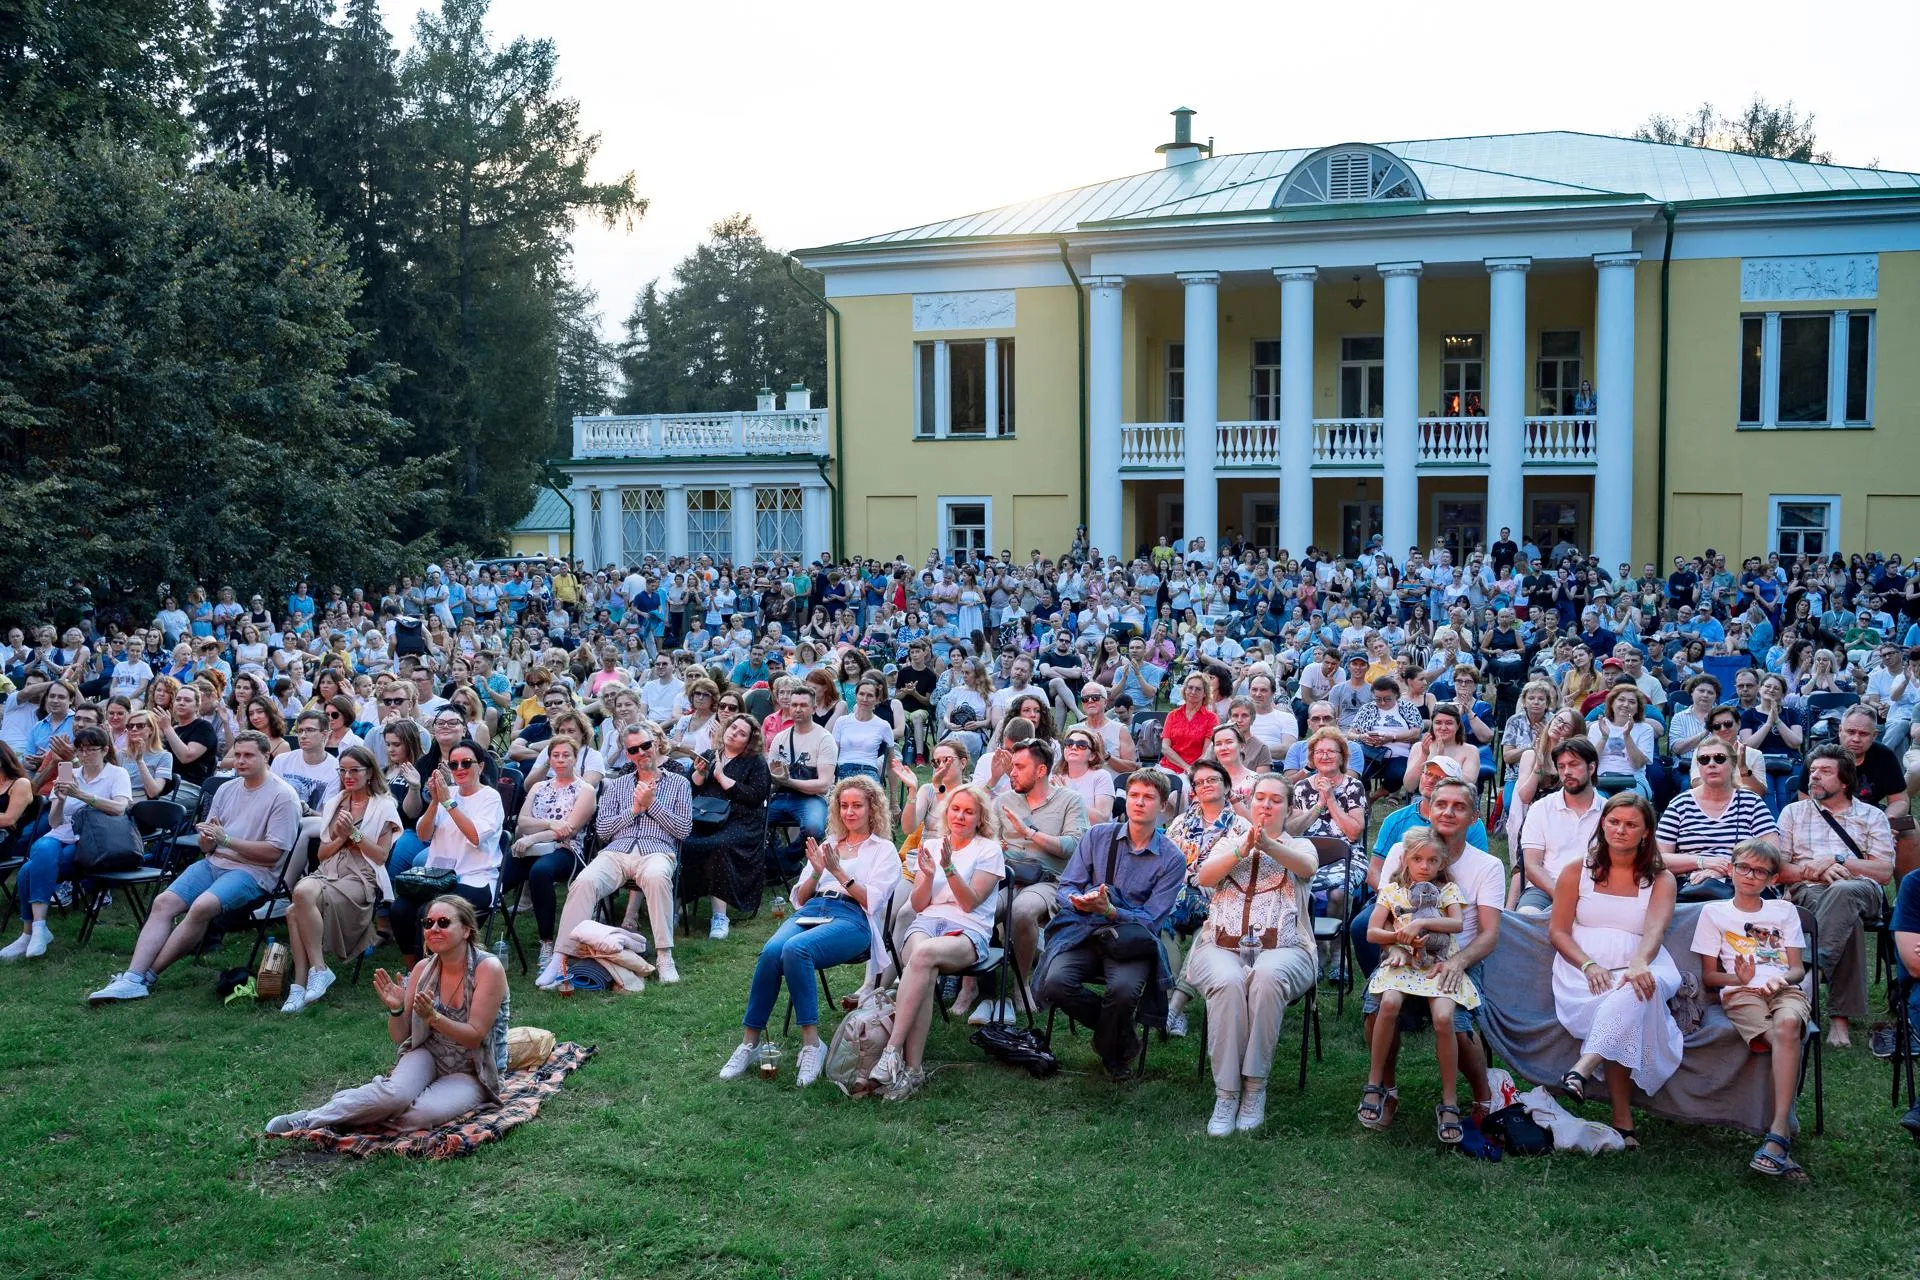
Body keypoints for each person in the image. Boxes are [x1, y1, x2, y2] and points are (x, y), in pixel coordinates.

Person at [265, 894, 509, 1135]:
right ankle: (310, 1119)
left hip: (472, 1068)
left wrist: (433, 1018)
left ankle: (353, 1105)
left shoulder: (487, 969)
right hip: (429, 1053)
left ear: (466, 930)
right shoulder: (423, 969)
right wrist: (396, 1008)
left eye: (443, 922)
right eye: (428, 923)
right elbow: (401, 1036)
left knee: (417, 1116)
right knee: (394, 1096)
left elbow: (474, 1037)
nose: (434, 928)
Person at [89, 731, 302, 1004]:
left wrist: (225, 841)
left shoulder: (283, 796)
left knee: (202, 906)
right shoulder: (226, 788)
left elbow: (273, 855)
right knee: (164, 902)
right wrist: (208, 838)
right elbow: (207, 848)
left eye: (248, 755)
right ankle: (132, 976)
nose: (240, 761)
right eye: (237, 755)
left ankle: (148, 977)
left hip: (254, 872)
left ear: (266, 756)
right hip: (216, 862)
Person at [720, 776, 901, 1088]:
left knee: (796, 949)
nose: (849, 812)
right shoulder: (829, 845)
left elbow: (873, 900)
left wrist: (839, 872)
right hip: (813, 909)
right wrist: (817, 871)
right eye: (844, 806)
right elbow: (799, 899)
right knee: (772, 952)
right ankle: (749, 1043)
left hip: (853, 918)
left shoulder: (883, 850)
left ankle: (812, 1045)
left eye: (857, 805)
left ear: (873, 809)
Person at [1364, 778, 1505, 1126]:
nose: (1448, 812)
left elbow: (1488, 935)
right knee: (1377, 1006)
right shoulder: (1403, 850)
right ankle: (1386, 1089)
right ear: (1428, 808)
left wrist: (1457, 962)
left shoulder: (1487, 866)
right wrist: (1395, 945)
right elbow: (1387, 913)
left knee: (1453, 1020)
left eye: (1459, 806)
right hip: (1402, 953)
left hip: (1459, 955)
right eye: (1441, 803)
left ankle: (1481, 1096)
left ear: (1474, 816)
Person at [1033, 769, 1186, 1081]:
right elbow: (1067, 887)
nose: (1139, 803)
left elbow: (1152, 920)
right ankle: (1123, 1038)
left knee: (1123, 991)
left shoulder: (1172, 858)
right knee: (1054, 981)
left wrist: (1113, 911)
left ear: (1162, 806)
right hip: (1087, 929)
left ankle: (1108, 1046)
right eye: (1133, 796)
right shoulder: (1097, 836)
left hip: (1130, 941)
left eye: (1148, 797)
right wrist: (1081, 901)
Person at [1186, 773, 1318, 1136]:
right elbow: (1206, 878)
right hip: (1221, 944)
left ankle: (1254, 1088)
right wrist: (1242, 848)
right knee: (1228, 983)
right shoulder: (1229, 841)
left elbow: (1306, 869)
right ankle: (1226, 1094)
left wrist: (1269, 846)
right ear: (1251, 802)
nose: (1266, 804)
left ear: (1288, 808)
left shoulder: (1301, 846)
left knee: (1267, 977)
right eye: (1261, 797)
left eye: (1276, 800)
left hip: (1287, 948)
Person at [1549, 792, 1683, 1147]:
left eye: (1630, 824)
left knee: (1638, 985)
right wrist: (1588, 964)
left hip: (1644, 958)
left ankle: (1582, 1069)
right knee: (1630, 1002)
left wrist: (1639, 962)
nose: (1620, 830)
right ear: (1602, 824)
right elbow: (1558, 931)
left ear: (1646, 832)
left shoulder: (1662, 879)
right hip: (1583, 969)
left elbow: (1655, 929)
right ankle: (1623, 1124)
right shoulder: (1576, 870)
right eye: (1613, 822)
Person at [866, 784, 1005, 1101]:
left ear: (980, 817)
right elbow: (916, 906)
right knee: (922, 967)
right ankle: (912, 1072)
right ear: (947, 811)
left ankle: (892, 1053)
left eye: (969, 811)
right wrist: (927, 875)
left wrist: (949, 868)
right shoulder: (931, 845)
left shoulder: (989, 850)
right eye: (956, 809)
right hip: (928, 922)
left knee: (922, 956)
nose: (961, 816)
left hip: (968, 931)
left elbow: (969, 904)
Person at [1689, 837, 1811, 1179]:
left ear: (1772, 879)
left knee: (1788, 1027)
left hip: (1783, 989)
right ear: (1731, 869)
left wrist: (1781, 979)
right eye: (1744, 867)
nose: (1750, 875)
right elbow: (1710, 977)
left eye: (1760, 871)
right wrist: (1736, 976)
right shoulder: (1714, 913)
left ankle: (1776, 1136)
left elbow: (1798, 968)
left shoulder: (1784, 911)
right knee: (1784, 1039)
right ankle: (1780, 1136)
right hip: (1741, 994)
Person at [546, 723, 691, 988]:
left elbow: (683, 830)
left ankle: (664, 955)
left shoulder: (679, 782)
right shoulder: (617, 785)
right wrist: (634, 810)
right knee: (584, 881)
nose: (641, 752)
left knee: (658, 877)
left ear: (655, 744)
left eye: (645, 745)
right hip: (616, 852)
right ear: (627, 754)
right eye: (633, 749)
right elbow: (602, 830)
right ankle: (560, 957)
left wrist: (652, 806)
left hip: (656, 850)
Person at [1358, 828, 1480, 1144]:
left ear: (1442, 863)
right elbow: (1372, 932)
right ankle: (1375, 1084)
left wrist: (1421, 923)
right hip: (1403, 961)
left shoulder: (1448, 890)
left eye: (1431, 860)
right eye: (1417, 859)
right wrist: (1398, 938)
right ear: (1406, 860)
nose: (1424, 866)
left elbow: (1457, 924)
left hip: (1438, 963)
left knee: (1443, 1018)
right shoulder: (1393, 892)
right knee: (1388, 1004)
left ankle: (1449, 1100)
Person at [1776, 745, 1894, 1048]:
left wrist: (1838, 860)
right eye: (1813, 771)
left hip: (1861, 889)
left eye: (1825, 772)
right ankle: (1840, 1020)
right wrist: (1811, 871)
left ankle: (1807, 979)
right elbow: (1777, 870)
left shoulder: (1871, 816)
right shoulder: (1792, 813)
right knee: (1846, 920)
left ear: (1844, 781)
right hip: (1809, 891)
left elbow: (1883, 871)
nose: (1814, 776)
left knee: (1844, 892)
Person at [280, 746, 401, 1012]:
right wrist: (340, 837)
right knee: (300, 894)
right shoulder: (335, 802)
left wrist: (354, 836)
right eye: (343, 770)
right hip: (330, 867)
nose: (348, 775)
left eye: (354, 770)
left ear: (369, 772)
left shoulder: (384, 806)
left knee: (292, 911)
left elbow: (380, 856)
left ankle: (300, 986)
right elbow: (322, 854)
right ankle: (318, 971)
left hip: (363, 874)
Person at [3, 726, 130, 960]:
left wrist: (81, 795)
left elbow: (120, 809)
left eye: (91, 750)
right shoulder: (71, 773)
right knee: (41, 848)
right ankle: (37, 929)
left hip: (95, 840)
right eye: (80, 750)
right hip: (63, 832)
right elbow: (54, 822)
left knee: (28, 871)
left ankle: (30, 933)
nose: (84, 755)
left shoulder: (117, 774)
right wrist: (60, 801)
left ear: (104, 750)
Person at [1161, 758, 1254, 1037]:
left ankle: (1175, 1008)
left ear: (1226, 785)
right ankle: (1168, 1007)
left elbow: (1241, 871)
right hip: (1179, 895)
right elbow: (1166, 862)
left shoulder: (1240, 826)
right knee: (1167, 930)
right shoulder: (1180, 823)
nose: (1205, 786)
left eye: (1212, 780)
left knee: (1208, 932)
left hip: (1221, 898)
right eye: (1199, 782)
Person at [390, 741, 504, 968]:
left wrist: (448, 802)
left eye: (466, 763)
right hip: (436, 878)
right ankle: (414, 970)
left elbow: (474, 836)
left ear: (480, 767)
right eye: (454, 764)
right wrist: (434, 802)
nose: (460, 768)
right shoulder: (446, 795)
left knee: (428, 910)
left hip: (475, 878)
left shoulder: (490, 798)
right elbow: (423, 834)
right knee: (400, 909)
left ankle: (430, 973)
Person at [501, 736, 597, 972]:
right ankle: (470, 938)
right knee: (499, 880)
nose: (561, 760)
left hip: (567, 851)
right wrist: (550, 824)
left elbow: (568, 830)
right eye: (556, 755)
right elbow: (522, 822)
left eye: (566, 755)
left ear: (575, 759)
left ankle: (547, 943)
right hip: (530, 848)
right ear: (549, 759)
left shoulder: (585, 790)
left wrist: (535, 834)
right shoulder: (538, 787)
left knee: (540, 872)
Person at [682, 713, 771, 940]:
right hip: (704, 817)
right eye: (733, 728)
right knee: (681, 840)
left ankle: (720, 916)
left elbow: (756, 796)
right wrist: (699, 774)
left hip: (740, 820)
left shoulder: (756, 763)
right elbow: (690, 791)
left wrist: (722, 779)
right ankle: (677, 902)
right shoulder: (710, 755)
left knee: (718, 846)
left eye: (742, 733)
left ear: (749, 741)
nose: (734, 733)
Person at [1655, 742, 1777, 902]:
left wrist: (1725, 869)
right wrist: (1703, 862)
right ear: (1698, 766)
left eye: (1719, 758)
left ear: (1733, 763)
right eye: (1704, 760)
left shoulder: (1752, 802)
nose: (1711, 764)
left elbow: (1773, 854)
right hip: (1690, 888)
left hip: (1743, 885)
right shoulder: (1680, 804)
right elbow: (1659, 859)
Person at [1517, 737, 1602, 913]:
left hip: (1596, 888)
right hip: (1545, 887)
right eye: (1561, 766)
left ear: (1591, 768)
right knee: (1528, 915)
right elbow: (1532, 866)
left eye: (1574, 764)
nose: (1566, 772)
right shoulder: (1541, 809)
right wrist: (1563, 897)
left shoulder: (1609, 811)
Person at [766, 683, 836, 878]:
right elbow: (772, 776)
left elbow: (824, 784)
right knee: (751, 820)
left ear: (813, 708)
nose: (797, 709)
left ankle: (782, 861)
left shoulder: (824, 739)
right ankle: (770, 863)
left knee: (814, 828)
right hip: (780, 796)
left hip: (811, 798)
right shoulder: (780, 738)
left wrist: (789, 782)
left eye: (803, 705)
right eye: (794, 704)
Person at [1160, 672, 1217, 774]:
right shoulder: (1172, 715)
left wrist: (1192, 769)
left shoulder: (1211, 718)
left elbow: (1207, 752)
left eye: (1198, 689)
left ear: (1205, 693)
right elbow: (1165, 748)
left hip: (1197, 768)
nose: (1193, 692)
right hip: (1168, 767)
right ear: (1185, 690)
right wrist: (1186, 767)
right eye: (1190, 688)